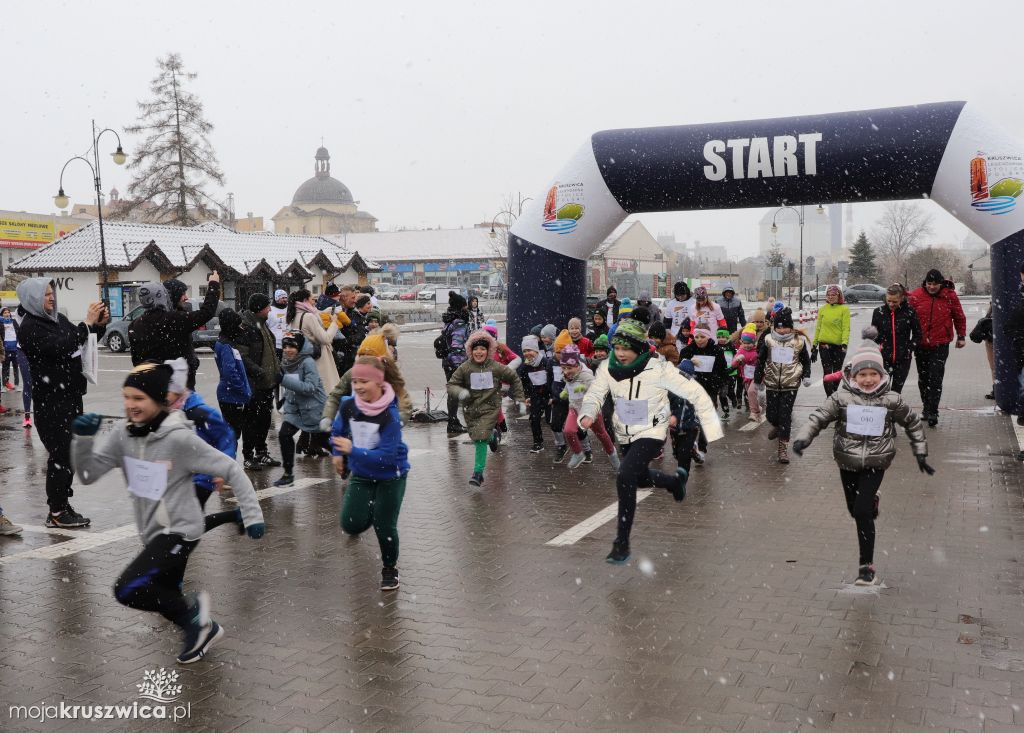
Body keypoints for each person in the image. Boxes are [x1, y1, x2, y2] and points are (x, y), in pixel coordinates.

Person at [71, 362, 265, 664]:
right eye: (127, 397)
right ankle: (200, 626)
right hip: (152, 533)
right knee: (162, 592)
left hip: (179, 530)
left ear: (160, 400)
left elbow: (230, 468)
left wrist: (253, 514)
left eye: (139, 398)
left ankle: (196, 623)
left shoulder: (178, 439)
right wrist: (82, 440)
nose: (131, 405)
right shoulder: (123, 435)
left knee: (127, 589)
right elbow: (86, 474)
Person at [792, 330, 933, 586]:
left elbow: (913, 423)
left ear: (882, 375)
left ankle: (866, 567)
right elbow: (818, 417)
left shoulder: (891, 399)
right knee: (854, 509)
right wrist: (804, 438)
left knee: (861, 510)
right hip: (847, 460)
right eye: (863, 374)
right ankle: (871, 503)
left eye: (873, 374)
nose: (868, 379)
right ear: (853, 375)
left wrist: (921, 452)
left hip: (877, 461)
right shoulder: (841, 397)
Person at [579, 319, 722, 564]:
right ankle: (673, 482)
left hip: (652, 430)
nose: (621, 353)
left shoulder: (658, 368)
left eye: (626, 348)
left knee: (625, 476)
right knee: (639, 477)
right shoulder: (607, 368)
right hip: (624, 431)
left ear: (639, 347)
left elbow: (687, 390)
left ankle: (621, 543)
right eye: (617, 348)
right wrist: (587, 413)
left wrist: (683, 415)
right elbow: (595, 393)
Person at [16, 278, 108, 528]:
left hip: (70, 397)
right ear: (33, 298)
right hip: (51, 402)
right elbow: (63, 346)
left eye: (52, 293)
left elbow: (80, 340)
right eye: (46, 295)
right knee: (61, 455)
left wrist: (99, 325)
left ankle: (62, 505)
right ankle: (56, 512)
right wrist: (86, 324)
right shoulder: (30, 327)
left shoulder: (57, 320)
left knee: (71, 454)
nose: (52, 298)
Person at [331, 355, 411, 591]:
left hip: (391, 476)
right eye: (355, 381)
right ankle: (369, 514)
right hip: (362, 474)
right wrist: (337, 452)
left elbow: (386, 457)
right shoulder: (348, 405)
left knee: (384, 526)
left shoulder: (390, 416)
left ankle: (389, 569)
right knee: (350, 524)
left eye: (364, 381)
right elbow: (338, 430)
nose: (358, 387)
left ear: (378, 383)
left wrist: (352, 450)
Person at [162, 358, 244, 534]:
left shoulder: (198, 412)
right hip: (180, 476)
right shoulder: (167, 411)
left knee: (185, 525)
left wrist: (222, 470)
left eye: (165, 390)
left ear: (176, 388)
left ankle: (171, 551)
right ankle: (234, 516)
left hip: (202, 476)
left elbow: (227, 437)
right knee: (189, 523)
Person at [446, 329, 526, 486]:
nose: (479, 352)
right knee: (478, 435)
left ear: (488, 350)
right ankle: (493, 436)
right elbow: (451, 384)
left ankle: (478, 473)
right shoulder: (465, 368)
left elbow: (514, 378)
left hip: (490, 407)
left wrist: (520, 399)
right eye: (475, 349)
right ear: (470, 350)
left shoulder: (495, 367)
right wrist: (460, 392)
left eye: (482, 348)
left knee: (480, 438)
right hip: (471, 409)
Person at [129, 274, 221, 390]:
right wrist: (213, 285)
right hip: (178, 388)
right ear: (163, 296)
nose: (186, 298)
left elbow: (137, 361)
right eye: (183, 294)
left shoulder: (134, 325)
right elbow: (206, 313)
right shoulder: (174, 319)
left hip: (151, 388)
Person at [906, 269, 966, 427]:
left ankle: (933, 411)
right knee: (923, 378)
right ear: (925, 283)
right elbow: (906, 314)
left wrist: (961, 336)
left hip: (940, 344)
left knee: (936, 378)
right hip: (921, 345)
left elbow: (959, 316)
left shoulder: (949, 296)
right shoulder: (917, 295)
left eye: (935, 284)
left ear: (941, 283)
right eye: (929, 283)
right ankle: (926, 407)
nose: (932, 287)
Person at [754, 308, 811, 464]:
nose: (782, 330)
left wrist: (806, 376)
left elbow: (805, 361)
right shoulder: (768, 340)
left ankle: (783, 450)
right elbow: (760, 360)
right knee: (772, 415)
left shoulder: (798, 341)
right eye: (779, 327)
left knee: (785, 416)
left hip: (790, 384)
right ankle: (778, 426)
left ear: (791, 327)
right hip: (772, 383)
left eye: (785, 327)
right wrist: (758, 379)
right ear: (774, 327)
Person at [274, 332, 328, 488]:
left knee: (327, 441)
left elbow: (310, 388)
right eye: (285, 346)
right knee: (284, 434)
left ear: (300, 347)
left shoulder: (308, 362)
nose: (287, 350)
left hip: (313, 408)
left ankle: (348, 460)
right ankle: (288, 474)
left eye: (292, 346)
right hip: (295, 409)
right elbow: (290, 386)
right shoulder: (287, 361)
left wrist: (284, 380)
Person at [238, 294, 282, 470]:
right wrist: (258, 371)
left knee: (264, 420)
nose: (270, 310)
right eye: (267, 307)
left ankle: (262, 452)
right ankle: (249, 456)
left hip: (267, 383)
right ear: (258, 309)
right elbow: (242, 355)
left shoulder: (262, 325)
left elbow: (270, 351)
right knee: (251, 421)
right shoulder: (246, 328)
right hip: (254, 384)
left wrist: (277, 370)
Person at [560, 345, 619, 470]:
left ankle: (613, 457)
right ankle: (578, 453)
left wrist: (584, 388)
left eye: (569, 368)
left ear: (577, 365)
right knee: (568, 431)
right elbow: (569, 384)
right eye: (563, 368)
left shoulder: (586, 375)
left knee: (602, 434)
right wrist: (565, 391)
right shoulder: (567, 374)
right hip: (574, 408)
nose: (566, 371)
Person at [212, 308, 251, 452]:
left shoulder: (221, 342)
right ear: (232, 326)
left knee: (230, 431)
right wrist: (243, 390)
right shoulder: (227, 346)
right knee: (232, 433)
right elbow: (230, 373)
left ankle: (227, 458)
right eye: (238, 325)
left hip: (227, 394)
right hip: (231, 396)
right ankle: (228, 461)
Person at [870, 284, 922, 395]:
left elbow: (918, 334)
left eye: (895, 302)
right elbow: (874, 335)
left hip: (903, 358)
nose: (891, 304)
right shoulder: (878, 312)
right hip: (883, 358)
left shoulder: (909, 312)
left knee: (895, 392)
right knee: (881, 390)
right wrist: (877, 343)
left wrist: (909, 348)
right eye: (889, 301)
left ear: (901, 298)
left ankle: (892, 411)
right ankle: (883, 412)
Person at [287, 288, 341, 393]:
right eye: (312, 299)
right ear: (305, 301)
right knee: (325, 390)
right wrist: (334, 323)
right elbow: (325, 339)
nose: (315, 302)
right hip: (319, 358)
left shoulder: (294, 316)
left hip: (305, 357)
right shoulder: (309, 317)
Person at [679, 327, 728, 430]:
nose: (699, 340)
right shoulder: (687, 350)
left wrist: (723, 383)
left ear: (708, 337)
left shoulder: (716, 350)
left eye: (702, 337)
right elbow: (681, 370)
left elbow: (722, 368)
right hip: (694, 384)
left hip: (711, 384)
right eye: (696, 337)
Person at [437, 291, 470, 434]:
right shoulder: (459, 322)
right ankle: (452, 422)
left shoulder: (449, 320)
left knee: (453, 393)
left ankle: (453, 420)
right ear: (461, 307)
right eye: (465, 306)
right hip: (456, 363)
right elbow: (457, 346)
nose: (467, 308)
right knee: (456, 393)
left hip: (447, 362)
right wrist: (460, 365)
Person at [812, 285, 851, 397]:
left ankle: (833, 393)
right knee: (827, 372)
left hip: (839, 345)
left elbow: (845, 328)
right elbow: (818, 328)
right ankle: (830, 397)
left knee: (837, 372)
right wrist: (814, 345)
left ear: (839, 295)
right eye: (828, 295)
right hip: (824, 344)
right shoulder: (823, 309)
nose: (831, 297)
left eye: (833, 295)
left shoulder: (844, 309)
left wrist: (844, 343)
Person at [518, 334, 553, 453]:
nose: (527, 354)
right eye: (525, 351)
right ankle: (538, 443)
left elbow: (552, 379)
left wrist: (553, 395)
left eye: (530, 350)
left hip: (548, 394)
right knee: (534, 418)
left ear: (536, 350)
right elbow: (525, 383)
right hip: (535, 395)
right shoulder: (524, 367)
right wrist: (527, 396)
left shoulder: (546, 362)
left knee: (552, 421)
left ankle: (562, 441)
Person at [668, 359, 702, 479]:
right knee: (677, 453)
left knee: (683, 454)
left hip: (690, 426)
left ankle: (682, 478)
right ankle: (693, 448)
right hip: (674, 428)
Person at [732, 327, 762, 423]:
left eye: (749, 343)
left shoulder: (757, 351)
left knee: (751, 391)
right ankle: (758, 408)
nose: (747, 345)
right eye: (744, 343)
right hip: (746, 376)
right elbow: (733, 364)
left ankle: (754, 412)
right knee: (750, 394)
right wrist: (738, 359)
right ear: (741, 342)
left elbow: (763, 361)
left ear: (754, 342)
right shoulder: (741, 351)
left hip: (757, 375)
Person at [969, 303, 994, 400]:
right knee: (994, 367)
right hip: (993, 338)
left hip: (996, 338)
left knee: (995, 367)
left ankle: (998, 389)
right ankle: (997, 389)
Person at [267, 289, 290, 358]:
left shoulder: (289, 309)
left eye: (286, 297)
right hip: (275, 344)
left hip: (288, 343)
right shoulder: (270, 310)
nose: (285, 299)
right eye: (282, 298)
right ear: (277, 298)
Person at [1, 306, 20, 391]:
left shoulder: (14, 322)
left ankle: (17, 384)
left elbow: (19, 333)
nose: (7, 314)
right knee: (6, 367)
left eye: (8, 312)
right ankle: (4, 385)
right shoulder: (0, 323)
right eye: (5, 312)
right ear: (2, 314)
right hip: (6, 349)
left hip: (15, 348)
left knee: (16, 367)